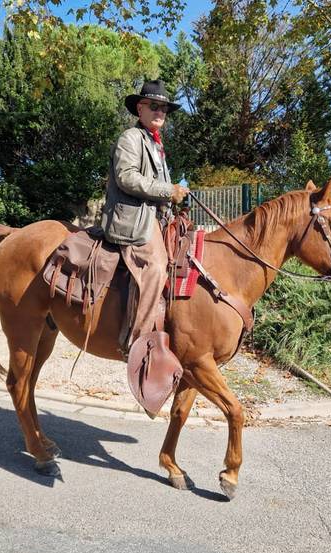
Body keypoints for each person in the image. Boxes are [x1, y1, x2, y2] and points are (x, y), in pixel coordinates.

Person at [101, 79, 190, 352]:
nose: (160, 112)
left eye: (164, 108)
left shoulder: (157, 146)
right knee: (156, 264)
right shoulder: (130, 138)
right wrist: (169, 190)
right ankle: (137, 341)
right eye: (154, 106)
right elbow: (127, 178)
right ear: (140, 109)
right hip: (133, 220)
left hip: (154, 218)